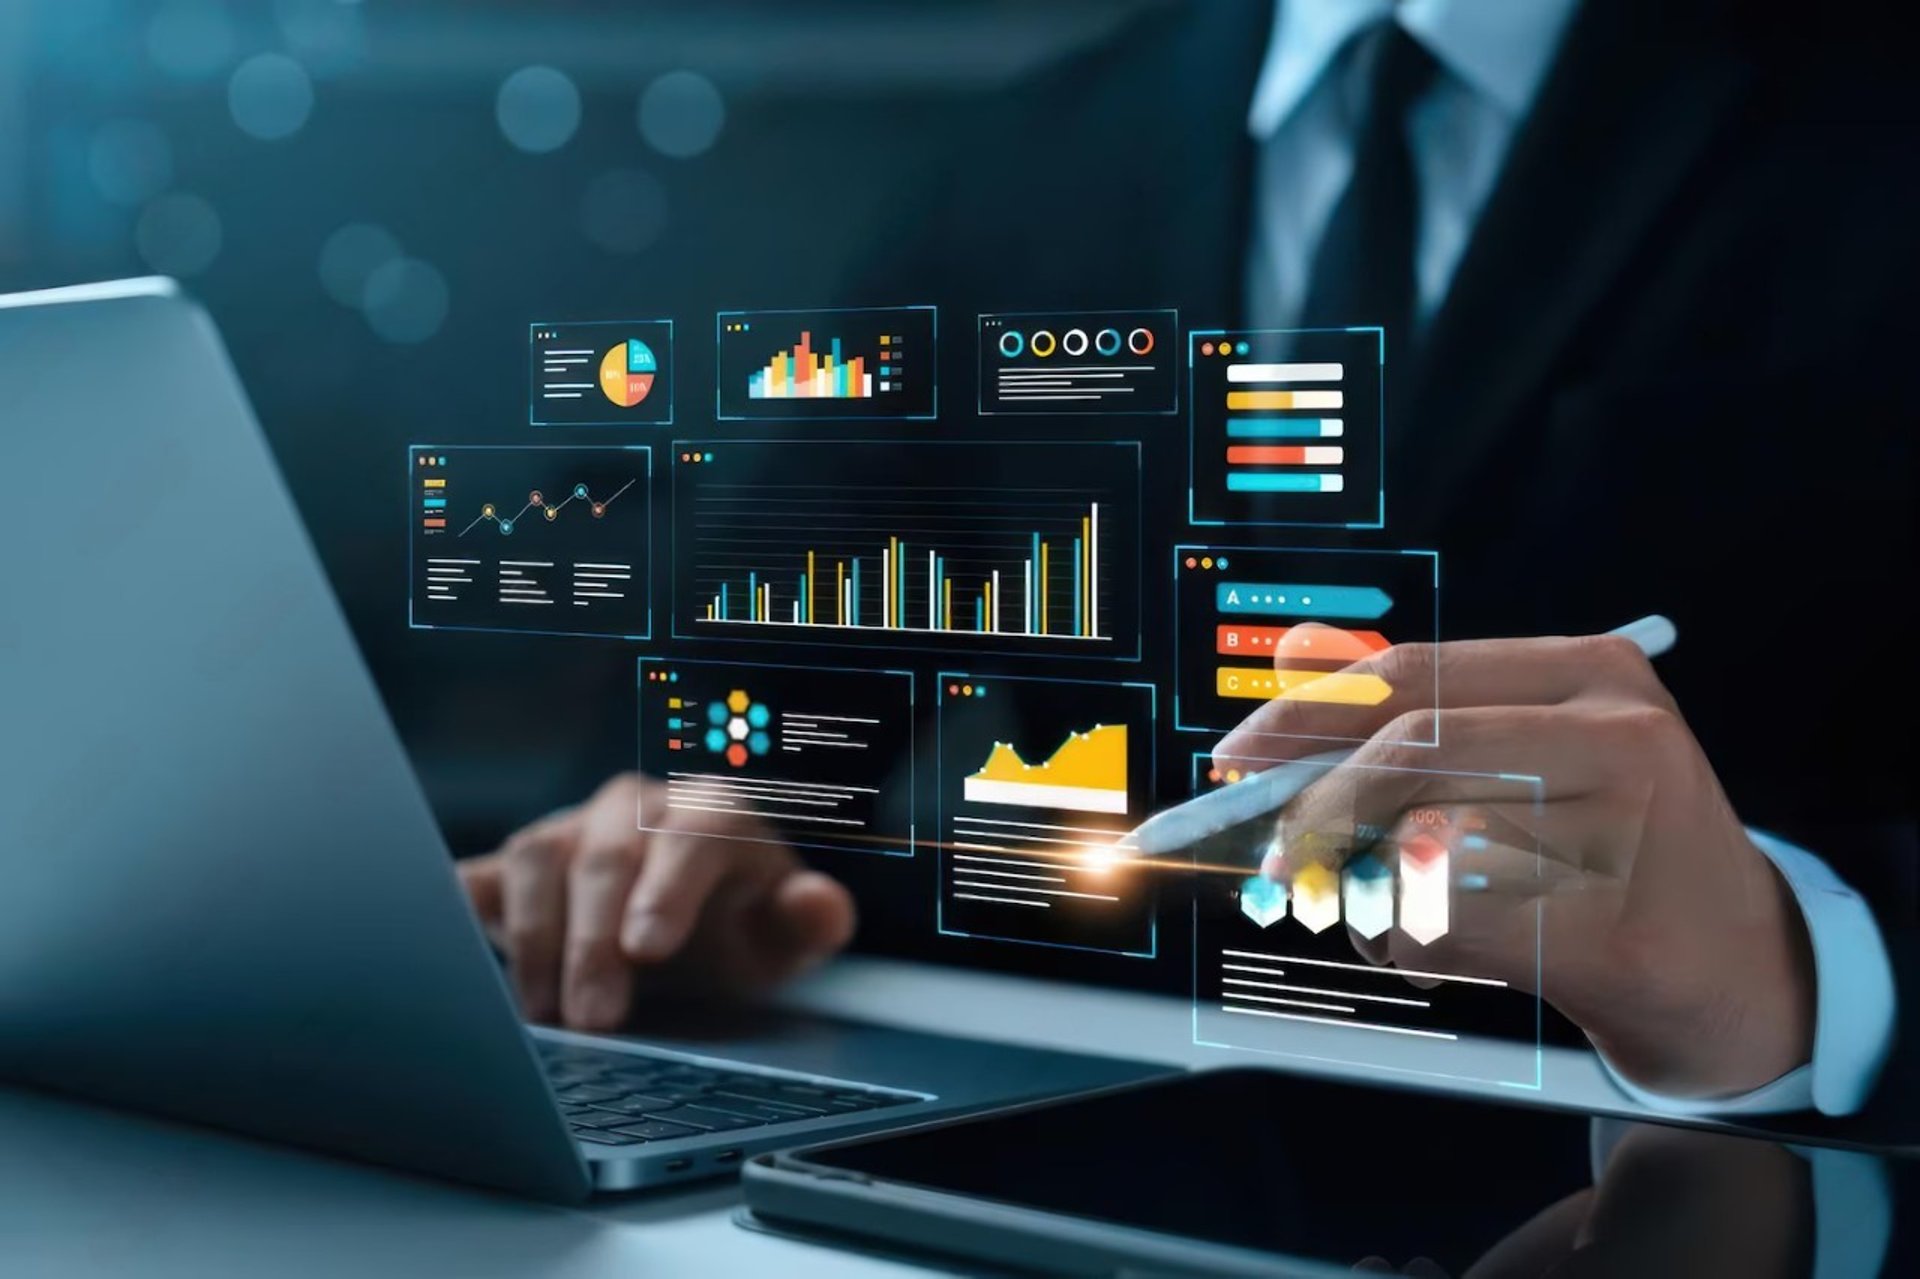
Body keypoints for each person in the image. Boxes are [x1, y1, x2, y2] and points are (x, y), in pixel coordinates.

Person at [458, 0, 1915, 1126]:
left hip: (1711, 1181)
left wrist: (1802, 970)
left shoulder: (1860, 106)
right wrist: (671, 850)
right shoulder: (1039, 161)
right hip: (1100, 1154)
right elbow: (734, 709)